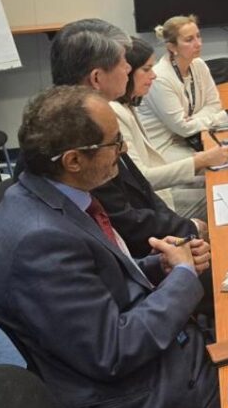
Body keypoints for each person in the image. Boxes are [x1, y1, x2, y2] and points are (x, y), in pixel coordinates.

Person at [0, 86, 220, 408]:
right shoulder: (40, 242)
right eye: (114, 142)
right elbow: (115, 350)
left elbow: (97, 279)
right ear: (73, 160)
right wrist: (183, 274)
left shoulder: (49, 196)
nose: (123, 149)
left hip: (157, 354)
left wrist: (160, 265)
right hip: (141, 394)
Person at [50, 18, 205, 254]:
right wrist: (188, 230)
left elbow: (141, 189)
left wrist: (183, 227)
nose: (128, 70)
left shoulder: (95, 113)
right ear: (96, 78)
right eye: (124, 64)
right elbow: (122, 219)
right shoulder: (78, 131)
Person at [113, 37, 228, 217]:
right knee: (223, 197)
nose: (153, 75)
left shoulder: (126, 104)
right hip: (151, 205)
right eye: (146, 69)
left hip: (157, 191)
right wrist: (200, 161)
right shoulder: (114, 112)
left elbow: (213, 104)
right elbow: (143, 178)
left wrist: (201, 161)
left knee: (220, 181)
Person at [138, 14, 228, 162]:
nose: (198, 43)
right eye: (189, 40)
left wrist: (192, 121)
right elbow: (184, 129)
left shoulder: (199, 64)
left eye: (198, 36)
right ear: (172, 47)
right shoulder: (160, 78)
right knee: (224, 162)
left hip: (192, 138)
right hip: (163, 149)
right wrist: (226, 115)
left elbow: (214, 104)